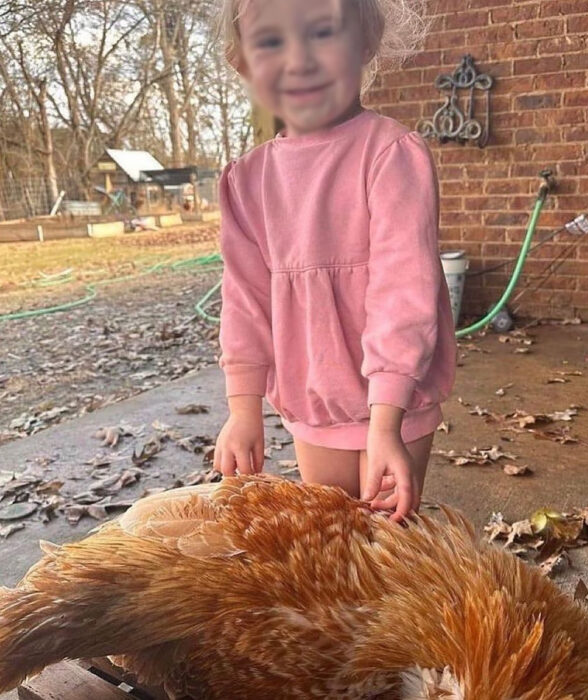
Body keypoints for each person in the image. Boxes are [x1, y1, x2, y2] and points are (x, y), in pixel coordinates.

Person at [213, 0, 456, 521]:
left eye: (322, 32)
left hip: (395, 405)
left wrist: (385, 421)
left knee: (390, 545)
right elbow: (245, 301)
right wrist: (243, 409)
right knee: (333, 546)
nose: (299, 59)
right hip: (314, 406)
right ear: (244, 63)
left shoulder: (390, 154)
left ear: (365, 42)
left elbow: (403, 291)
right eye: (271, 41)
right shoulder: (246, 181)